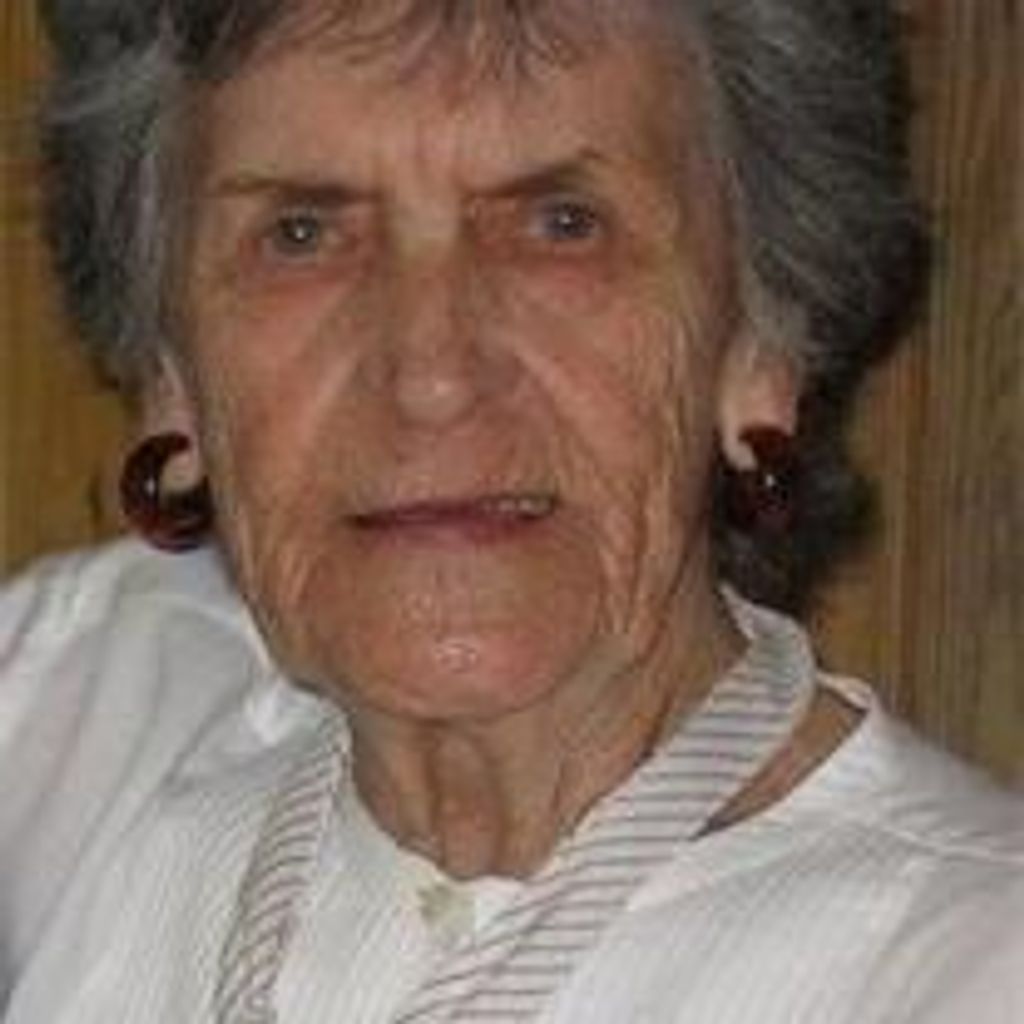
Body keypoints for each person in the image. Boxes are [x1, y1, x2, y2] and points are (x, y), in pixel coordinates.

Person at [1, 1, 1021, 1021]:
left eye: (559, 225)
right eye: (302, 235)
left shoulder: (971, 965)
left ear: (761, 344)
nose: (431, 376)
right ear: (172, 377)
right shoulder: (90, 803)